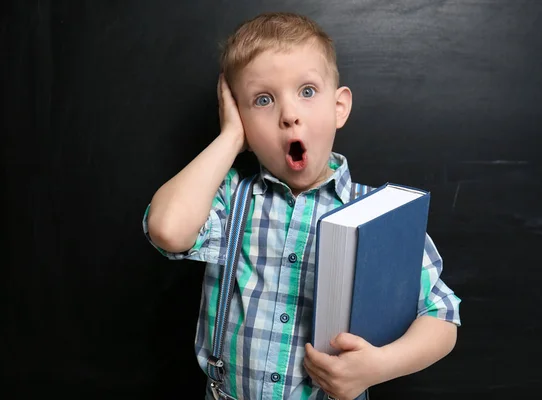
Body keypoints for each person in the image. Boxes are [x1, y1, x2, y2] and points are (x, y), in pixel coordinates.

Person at [142, 11, 461, 400]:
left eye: (307, 91)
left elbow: (441, 317)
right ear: (241, 119)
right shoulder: (230, 199)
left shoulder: (377, 215)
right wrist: (229, 138)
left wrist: (377, 366)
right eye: (263, 100)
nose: (289, 115)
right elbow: (167, 229)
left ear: (339, 107)